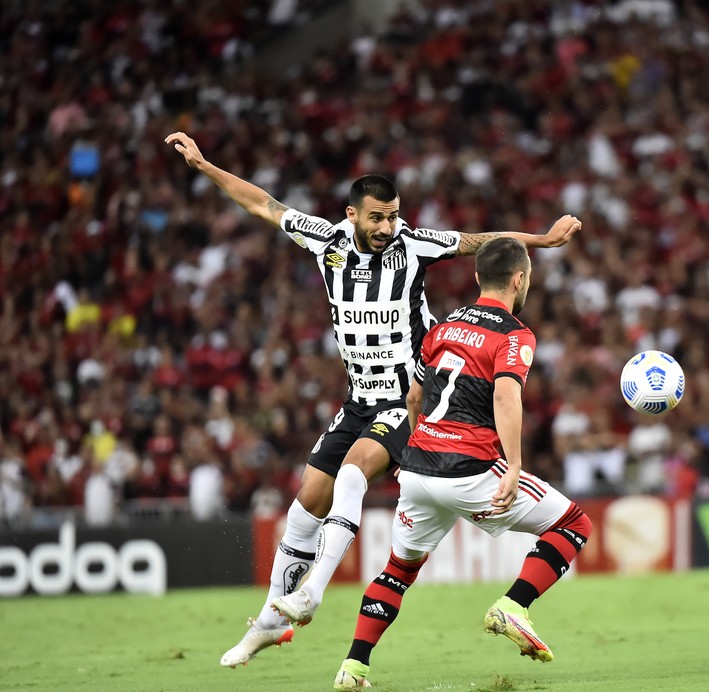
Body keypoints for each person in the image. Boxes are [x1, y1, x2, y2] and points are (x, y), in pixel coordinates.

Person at [163, 132, 583, 668]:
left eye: (394, 216)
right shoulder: (327, 242)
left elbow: (480, 241)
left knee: (355, 474)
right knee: (305, 503)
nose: (388, 228)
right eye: (378, 218)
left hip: (410, 398)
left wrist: (540, 242)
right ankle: (270, 622)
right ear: (353, 215)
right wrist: (204, 165)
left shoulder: (413, 246)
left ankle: (313, 591)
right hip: (359, 400)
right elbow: (262, 203)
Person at [332, 237, 592, 689]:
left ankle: (353, 667)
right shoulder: (515, 334)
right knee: (573, 524)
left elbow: (414, 395)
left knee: (398, 569)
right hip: (470, 469)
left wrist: (412, 447)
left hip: (417, 469)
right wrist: (514, 464)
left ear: (476, 277)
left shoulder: (443, 326)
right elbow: (506, 395)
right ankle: (513, 606)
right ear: (520, 279)